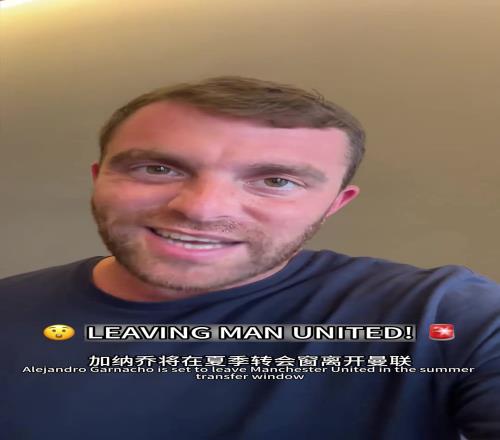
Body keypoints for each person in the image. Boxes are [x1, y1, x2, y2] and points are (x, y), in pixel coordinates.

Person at [1, 75, 499, 440]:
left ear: (334, 204)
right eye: (157, 169)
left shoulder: (445, 315)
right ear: (100, 178)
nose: (200, 209)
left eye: (276, 181)